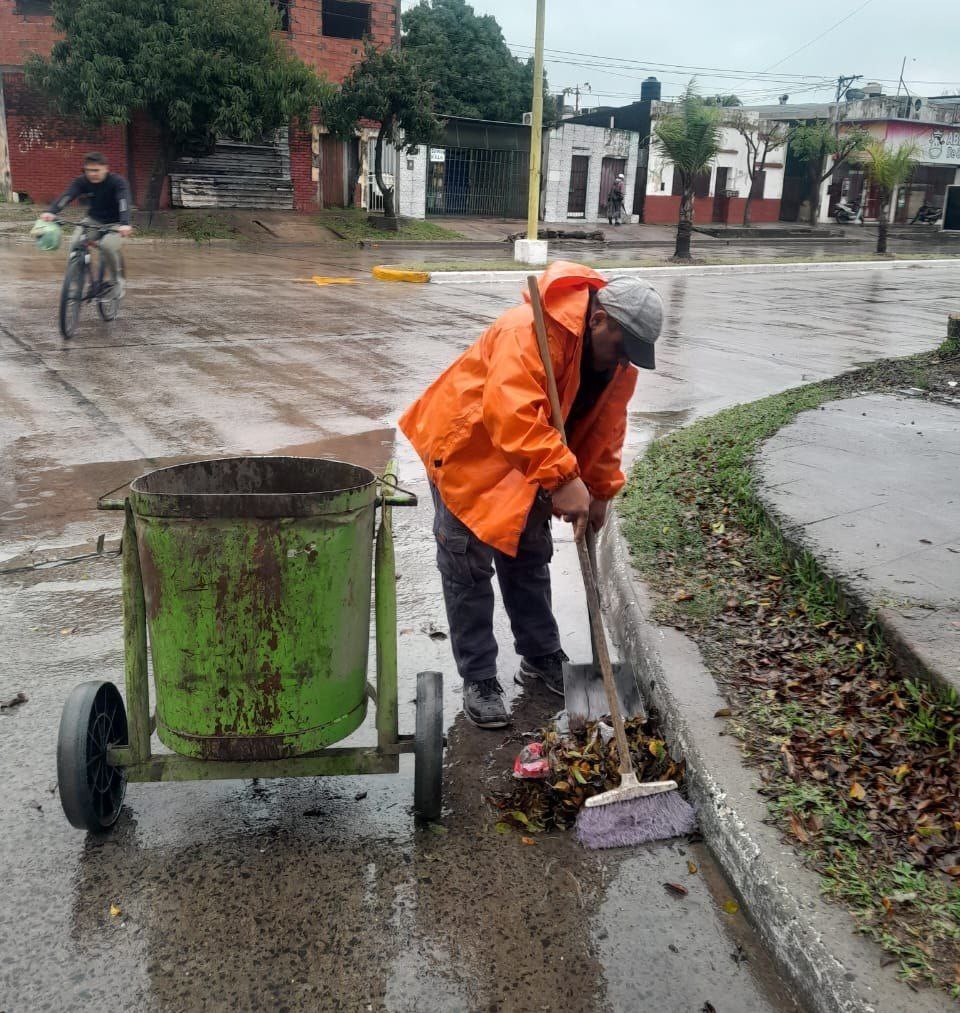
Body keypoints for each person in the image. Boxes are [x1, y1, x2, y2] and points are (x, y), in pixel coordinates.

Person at [399, 262, 663, 729]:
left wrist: (599, 490)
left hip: (533, 459)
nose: (624, 362)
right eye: (622, 348)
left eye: (633, 355)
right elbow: (511, 413)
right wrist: (562, 479)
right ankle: (480, 678)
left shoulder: (620, 365)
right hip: (467, 452)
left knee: (530, 553)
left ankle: (540, 654)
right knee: (467, 566)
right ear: (599, 319)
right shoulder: (528, 330)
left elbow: (608, 428)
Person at [42, 152, 132, 296]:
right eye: (88, 170)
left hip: (116, 223)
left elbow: (123, 201)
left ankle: (117, 282)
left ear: (106, 168)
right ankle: (78, 282)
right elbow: (68, 196)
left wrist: (125, 223)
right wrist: (52, 212)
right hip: (93, 220)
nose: (92, 174)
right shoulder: (82, 181)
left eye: (96, 170)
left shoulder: (117, 182)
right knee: (75, 243)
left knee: (107, 246)